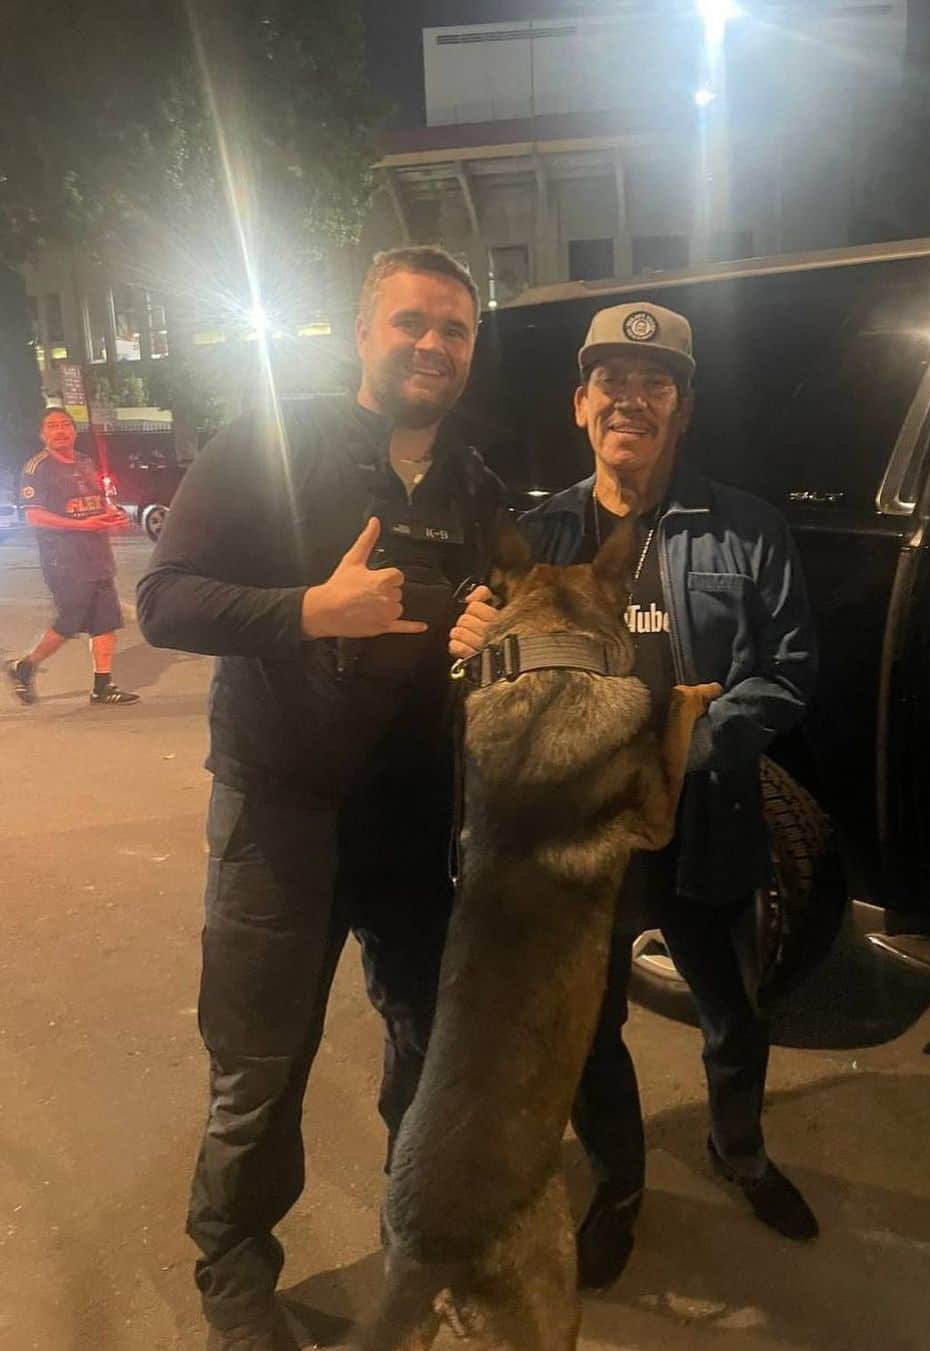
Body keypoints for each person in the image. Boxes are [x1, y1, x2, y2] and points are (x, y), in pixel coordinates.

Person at [137, 246, 502, 1351]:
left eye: (455, 332)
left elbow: (482, 623)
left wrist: (488, 639)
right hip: (279, 814)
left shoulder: (473, 488)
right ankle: (235, 1271)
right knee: (260, 1063)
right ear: (362, 331)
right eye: (413, 323)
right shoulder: (269, 444)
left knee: (425, 1047)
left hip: (411, 822)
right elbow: (162, 599)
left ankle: (417, 1235)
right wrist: (307, 610)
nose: (433, 346)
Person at [450, 300, 819, 1290]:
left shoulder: (747, 528)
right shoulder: (534, 536)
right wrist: (470, 653)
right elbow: (490, 677)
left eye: (655, 384)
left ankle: (738, 1151)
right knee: (588, 1027)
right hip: (578, 837)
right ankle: (618, 1187)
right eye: (610, 382)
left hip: (706, 820)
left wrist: (686, 747)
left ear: (682, 410)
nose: (631, 398)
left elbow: (787, 671)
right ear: (581, 405)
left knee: (736, 1011)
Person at [7, 407, 139, 706]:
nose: (61, 430)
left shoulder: (84, 461)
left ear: (74, 430)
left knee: (106, 621)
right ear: (43, 434)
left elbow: (98, 502)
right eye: (53, 426)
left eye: (65, 425)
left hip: (98, 554)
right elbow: (35, 517)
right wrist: (80, 525)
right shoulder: (37, 468)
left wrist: (112, 514)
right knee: (71, 618)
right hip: (64, 558)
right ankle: (24, 666)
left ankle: (103, 686)